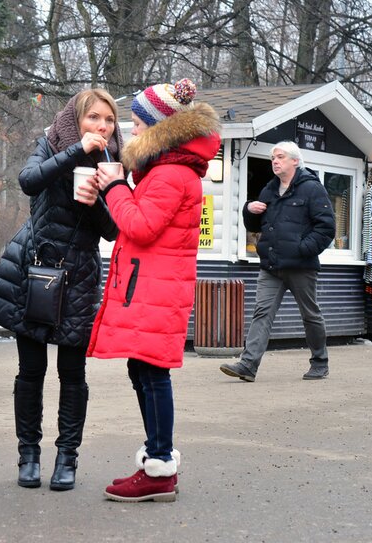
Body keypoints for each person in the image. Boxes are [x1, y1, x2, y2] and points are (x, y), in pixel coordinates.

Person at [0, 89, 120, 491]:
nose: (102, 127)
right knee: (31, 370)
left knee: (73, 372)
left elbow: (113, 229)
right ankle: (29, 455)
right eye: (94, 118)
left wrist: (94, 201)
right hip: (36, 266)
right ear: (76, 120)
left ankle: (67, 458)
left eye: (108, 121)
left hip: (79, 274)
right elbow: (28, 181)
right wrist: (76, 154)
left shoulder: (113, 160)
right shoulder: (51, 142)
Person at [86, 78, 221, 502]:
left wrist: (114, 188)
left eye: (139, 124)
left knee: (152, 371)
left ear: (161, 129)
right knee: (142, 369)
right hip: (152, 285)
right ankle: (156, 459)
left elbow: (140, 226)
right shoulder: (169, 171)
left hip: (155, 287)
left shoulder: (170, 174)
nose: (133, 130)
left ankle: (160, 465)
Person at [219, 141, 335, 380]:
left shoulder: (312, 189)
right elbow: (255, 226)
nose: (275, 161)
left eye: (280, 157)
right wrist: (248, 210)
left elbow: (326, 228)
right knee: (261, 313)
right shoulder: (269, 190)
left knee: (310, 315)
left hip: (301, 266)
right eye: (273, 158)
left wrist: (303, 249)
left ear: (295, 160)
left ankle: (319, 362)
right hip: (271, 265)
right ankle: (248, 365)